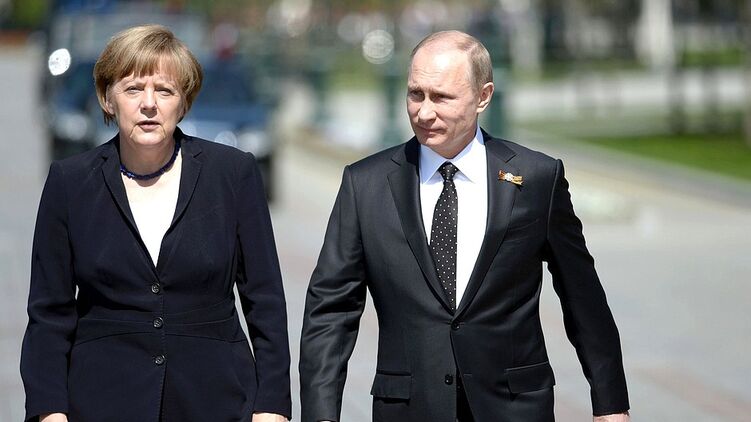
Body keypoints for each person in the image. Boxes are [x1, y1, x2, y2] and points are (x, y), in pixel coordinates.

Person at [299, 30, 630, 422]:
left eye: (441, 97)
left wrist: (610, 405)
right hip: (409, 409)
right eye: (416, 94)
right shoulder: (365, 185)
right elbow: (330, 311)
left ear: (483, 97)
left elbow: (583, 299)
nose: (424, 112)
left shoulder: (537, 178)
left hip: (513, 408)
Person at [21, 25, 291, 422]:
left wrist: (272, 406)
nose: (149, 104)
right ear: (107, 98)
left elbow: (265, 301)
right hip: (100, 402)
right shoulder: (70, 182)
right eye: (133, 89)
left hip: (216, 400)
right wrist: (49, 410)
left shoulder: (233, 174)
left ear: (184, 101)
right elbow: (48, 313)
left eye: (164, 90)